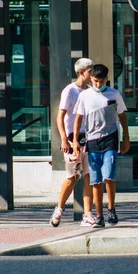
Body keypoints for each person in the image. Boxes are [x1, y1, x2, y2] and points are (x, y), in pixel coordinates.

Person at [73, 64, 130, 228]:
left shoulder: (114, 94)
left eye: (102, 81)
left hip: (110, 140)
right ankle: (99, 215)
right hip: (92, 142)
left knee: (109, 177)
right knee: (95, 181)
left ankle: (111, 208)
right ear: (91, 78)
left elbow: (122, 116)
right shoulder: (85, 96)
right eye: (96, 81)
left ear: (107, 79)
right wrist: (76, 140)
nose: (98, 84)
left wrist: (126, 137)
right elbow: (78, 119)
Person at [49, 58, 93, 228]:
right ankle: (59, 209)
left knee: (89, 176)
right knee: (72, 177)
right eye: (90, 70)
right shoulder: (70, 91)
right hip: (72, 137)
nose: (92, 74)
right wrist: (64, 139)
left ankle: (87, 214)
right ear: (82, 72)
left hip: (88, 137)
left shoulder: (90, 91)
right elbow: (60, 116)